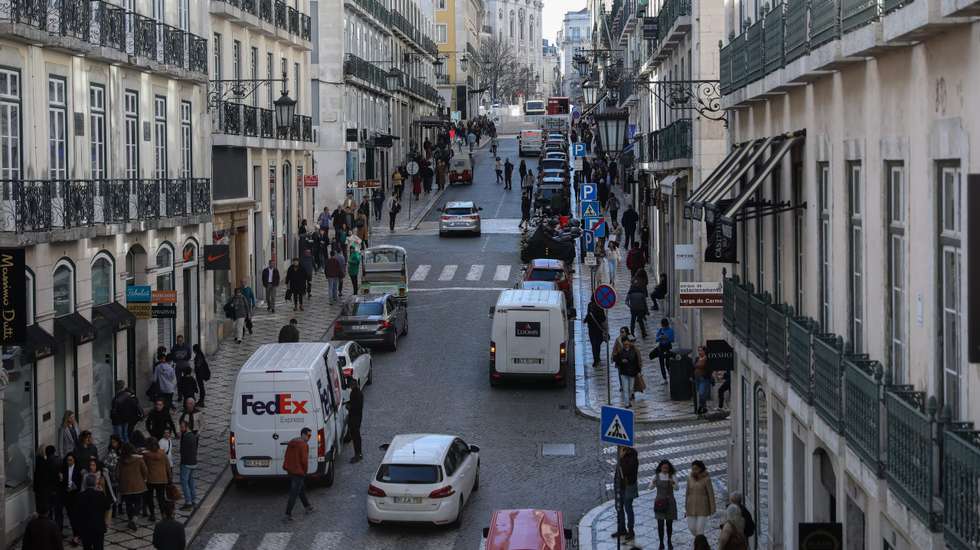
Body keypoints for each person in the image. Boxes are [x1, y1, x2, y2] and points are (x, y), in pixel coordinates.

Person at [283, 427, 315, 520]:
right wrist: (304, 471)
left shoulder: (292, 441)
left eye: (310, 435)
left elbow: (286, 455)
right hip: (299, 471)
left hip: (290, 470)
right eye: (308, 435)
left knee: (300, 489)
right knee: (294, 492)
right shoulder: (303, 445)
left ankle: (307, 506)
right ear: (303, 434)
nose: (309, 437)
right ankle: (287, 514)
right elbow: (304, 461)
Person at [649, 460, 678, 549]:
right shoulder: (656, 476)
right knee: (660, 524)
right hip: (660, 502)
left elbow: (677, 488)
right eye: (663, 467)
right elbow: (650, 487)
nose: (665, 469)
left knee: (669, 524)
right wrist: (653, 483)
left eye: (667, 468)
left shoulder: (672, 476)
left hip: (670, 502)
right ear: (660, 467)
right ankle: (661, 542)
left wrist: (672, 483)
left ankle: (669, 540)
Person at [612, 445, 639, 542]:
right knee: (618, 507)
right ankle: (621, 528)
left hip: (628, 486)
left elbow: (626, 470)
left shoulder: (632, 455)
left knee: (628, 508)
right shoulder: (620, 452)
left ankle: (631, 530)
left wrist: (621, 458)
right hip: (619, 485)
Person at [118, 443, 148, 531]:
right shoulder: (139, 459)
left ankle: (130, 520)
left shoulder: (121, 460)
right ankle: (134, 520)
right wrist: (144, 479)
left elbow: (117, 474)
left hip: (125, 487)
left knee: (128, 504)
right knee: (139, 503)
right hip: (138, 486)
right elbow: (145, 470)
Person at [77, 474, 110, 550]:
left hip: (85, 528)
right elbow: (108, 507)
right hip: (98, 527)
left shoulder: (80, 496)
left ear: (85, 484)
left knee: (87, 547)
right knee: (99, 547)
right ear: (95, 483)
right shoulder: (100, 494)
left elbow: (77, 513)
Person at [685, 460, 716, 537]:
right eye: (693, 469)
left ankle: (699, 545)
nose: (694, 471)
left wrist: (713, 509)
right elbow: (687, 493)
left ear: (701, 469)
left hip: (703, 508)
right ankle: (700, 541)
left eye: (696, 469)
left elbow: (711, 494)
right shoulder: (689, 478)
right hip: (691, 507)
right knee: (691, 528)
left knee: (700, 530)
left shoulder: (706, 479)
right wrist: (686, 507)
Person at [143, 438, 170, 522]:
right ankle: (163, 514)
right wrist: (170, 477)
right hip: (162, 479)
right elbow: (167, 466)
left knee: (150, 498)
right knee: (161, 498)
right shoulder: (163, 453)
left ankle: (152, 515)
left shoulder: (146, 455)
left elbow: (144, 467)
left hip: (150, 480)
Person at [61, 452, 83, 546]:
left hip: (76, 494)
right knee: (70, 515)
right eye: (68, 460)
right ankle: (77, 533)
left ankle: (77, 534)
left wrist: (75, 486)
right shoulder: (64, 469)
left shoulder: (78, 469)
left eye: (70, 460)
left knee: (76, 516)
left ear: (74, 460)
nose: (69, 462)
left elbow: (80, 481)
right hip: (67, 495)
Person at [33, 446, 61, 521]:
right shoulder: (55, 461)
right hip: (51, 489)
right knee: (55, 508)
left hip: (45, 489)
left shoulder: (43, 462)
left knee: (49, 507)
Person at [614, 336, 641, 407]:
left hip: (632, 372)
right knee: (625, 388)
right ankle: (626, 403)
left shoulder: (634, 351)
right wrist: (621, 361)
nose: (626, 345)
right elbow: (616, 360)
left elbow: (636, 362)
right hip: (624, 372)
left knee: (631, 388)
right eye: (624, 344)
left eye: (627, 343)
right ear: (623, 344)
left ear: (629, 342)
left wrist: (638, 372)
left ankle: (628, 400)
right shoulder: (620, 352)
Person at [178, 421, 198, 511]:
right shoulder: (193, 436)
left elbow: (182, 451)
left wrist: (182, 462)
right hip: (193, 461)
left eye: (182, 427)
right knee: (191, 481)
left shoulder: (186, 437)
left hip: (186, 463)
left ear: (187, 427)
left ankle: (188, 503)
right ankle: (193, 500)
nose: (181, 429)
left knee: (184, 483)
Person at [583, 297, 608, 369]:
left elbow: (588, 315)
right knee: (598, 344)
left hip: (591, 329)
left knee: (594, 345)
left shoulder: (589, 305)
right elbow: (603, 319)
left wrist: (585, 320)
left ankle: (596, 359)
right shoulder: (600, 306)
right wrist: (605, 329)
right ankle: (597, 357)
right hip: (599, 329)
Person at [650, 318, 675, 382]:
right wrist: (660, 337)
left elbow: (672, 340)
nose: (663, 326)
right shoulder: (661, 330)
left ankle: (671, 375)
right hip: (661, 348)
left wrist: (667, 338)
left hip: (668, 347)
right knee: (661, 363)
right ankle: (664, 378)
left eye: (663, 325)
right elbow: (656, 339)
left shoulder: (671, 330)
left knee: (668, 363)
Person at [346, 382, 364, 463]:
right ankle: (358, 453)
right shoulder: (358, 393)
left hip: (355, 419)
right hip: (356, 418)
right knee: (355, 436)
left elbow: (356, 407)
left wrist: (349, 407)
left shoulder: (356, 393)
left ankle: (358, 454)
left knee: (356, 436)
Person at [694, 345, 713, 414]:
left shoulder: (707, 359)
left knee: (702, 393)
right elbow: (694, 367)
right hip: (697, 378)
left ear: (704, 351)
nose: (699, 352)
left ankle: (700, 406)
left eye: (701, 350)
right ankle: (704, 407)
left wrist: (707, 376)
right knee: (700, 393)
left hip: (703, 378)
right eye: (698, 350)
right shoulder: (697, 358)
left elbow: (710, 369)